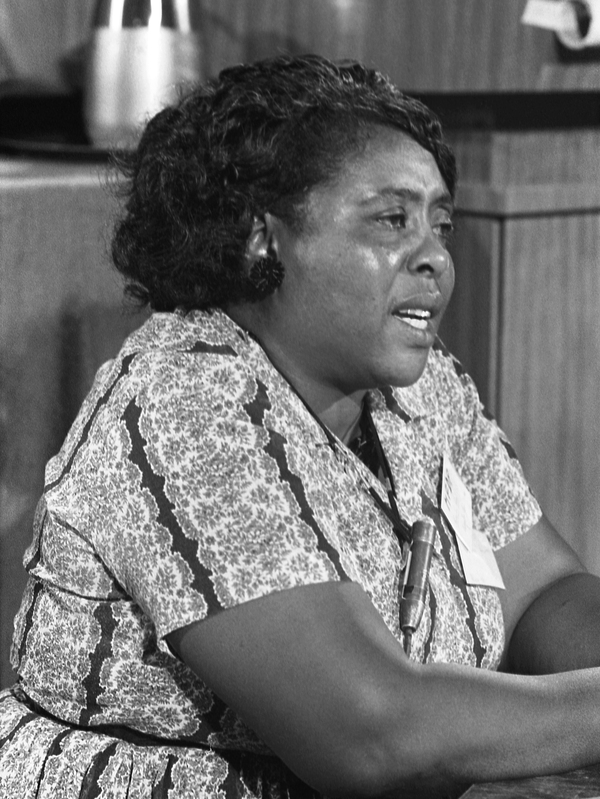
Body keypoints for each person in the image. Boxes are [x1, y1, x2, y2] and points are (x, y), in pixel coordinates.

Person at [2, 53, 600, 799]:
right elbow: (369, 732)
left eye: (439, 223)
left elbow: (542, 589)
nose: (437, 258)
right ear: (263, 236)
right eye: (392, 220)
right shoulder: (184, 402)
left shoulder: (422, 386)